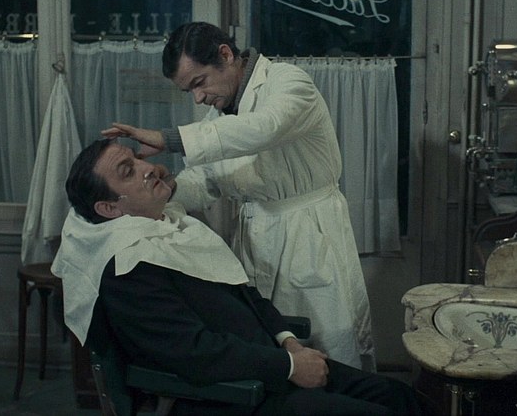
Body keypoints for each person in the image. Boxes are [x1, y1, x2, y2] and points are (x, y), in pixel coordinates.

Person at [51, 139, 423, 416]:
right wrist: (290, 366)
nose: (147, 167)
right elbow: (194, 353)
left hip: (271, 364)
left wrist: (289, 343)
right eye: (128, 171)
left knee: (399, 396)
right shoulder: (128, 268)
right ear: (109, 208)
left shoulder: (172, 229)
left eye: (136, 157)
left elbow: (245, 295)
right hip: (230, 395)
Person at [101, 21, 375, 371]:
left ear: (225, 55)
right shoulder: (221, 114)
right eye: (189, 91)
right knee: (275, 351)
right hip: (258, 239)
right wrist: (166, 189)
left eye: (199, 82)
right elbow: (209, 180)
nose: (198, 98)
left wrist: (170, 139)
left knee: (330, 350)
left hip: (309, 233)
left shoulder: (288, 83)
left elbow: (264, 128)